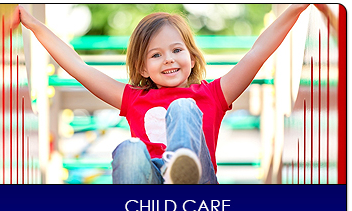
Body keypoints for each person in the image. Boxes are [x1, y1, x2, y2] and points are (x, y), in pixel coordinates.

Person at [19, 4, 310, 184]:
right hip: (150, 190)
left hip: (199, 189)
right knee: (128, 149)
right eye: (156, 55)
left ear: (192, 58)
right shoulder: (134, 98)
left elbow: (257, 53)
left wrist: (296, 9)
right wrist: (33, 24)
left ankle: (182, 167)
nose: (169, 59)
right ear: (143, 68)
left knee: (183, 108)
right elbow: (78, 67)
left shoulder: (212, 94)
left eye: (176, 50)